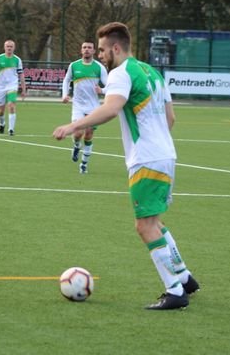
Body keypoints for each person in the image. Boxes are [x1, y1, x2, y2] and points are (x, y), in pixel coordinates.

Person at [53, 22, 199, 310]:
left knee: (145, 226)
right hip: (165, 154)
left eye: (104, 50)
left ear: (116, 48)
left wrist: (73, 125)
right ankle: (184, 277)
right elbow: (171, 118)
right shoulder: (152, 71)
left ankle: (175, 292)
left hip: (147, 159)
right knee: (155, 222)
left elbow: (110, 108)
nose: (101, 55)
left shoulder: (121, 73)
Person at [61, 40, 108, 174]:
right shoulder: (74, 66)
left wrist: (102, 91)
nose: (87, 49)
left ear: (93, 51)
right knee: (77, 133)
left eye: (89, 48)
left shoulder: (99, 67)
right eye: (84, 47)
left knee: (88, 134)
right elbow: (66, 80)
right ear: (81, 50)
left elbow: (110, 85)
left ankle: (84, 164)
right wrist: (65, 95)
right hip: (78, 106)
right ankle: (76, 146)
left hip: (94, 107)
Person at [0, 39, 26, 136]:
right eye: (7, 46)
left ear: (14, 48)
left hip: (12, 85)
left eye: (11, 46)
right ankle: (2, 124)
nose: (9, 48)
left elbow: (21, 75)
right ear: (4, 47)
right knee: (0, 111)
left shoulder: (17, 60)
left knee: (11, 105)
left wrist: (24, 89)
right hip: (0, 87)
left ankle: (11, 129)